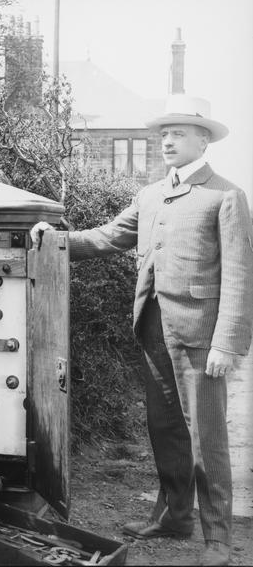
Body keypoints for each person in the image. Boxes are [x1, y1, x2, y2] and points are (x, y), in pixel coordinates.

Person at [30, 94, 253, 567]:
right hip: (152, 330)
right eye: (164, 133)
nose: (167, 140)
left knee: (207, 439)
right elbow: (110, 235)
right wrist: (58, 238)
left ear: (203, 140)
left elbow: (239, 275)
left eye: (178, 133)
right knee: (165, 428)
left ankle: (218, 539)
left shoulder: (226, 195)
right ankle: (174, 517)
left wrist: (227, 344)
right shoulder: (150, 195)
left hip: (200, 338)